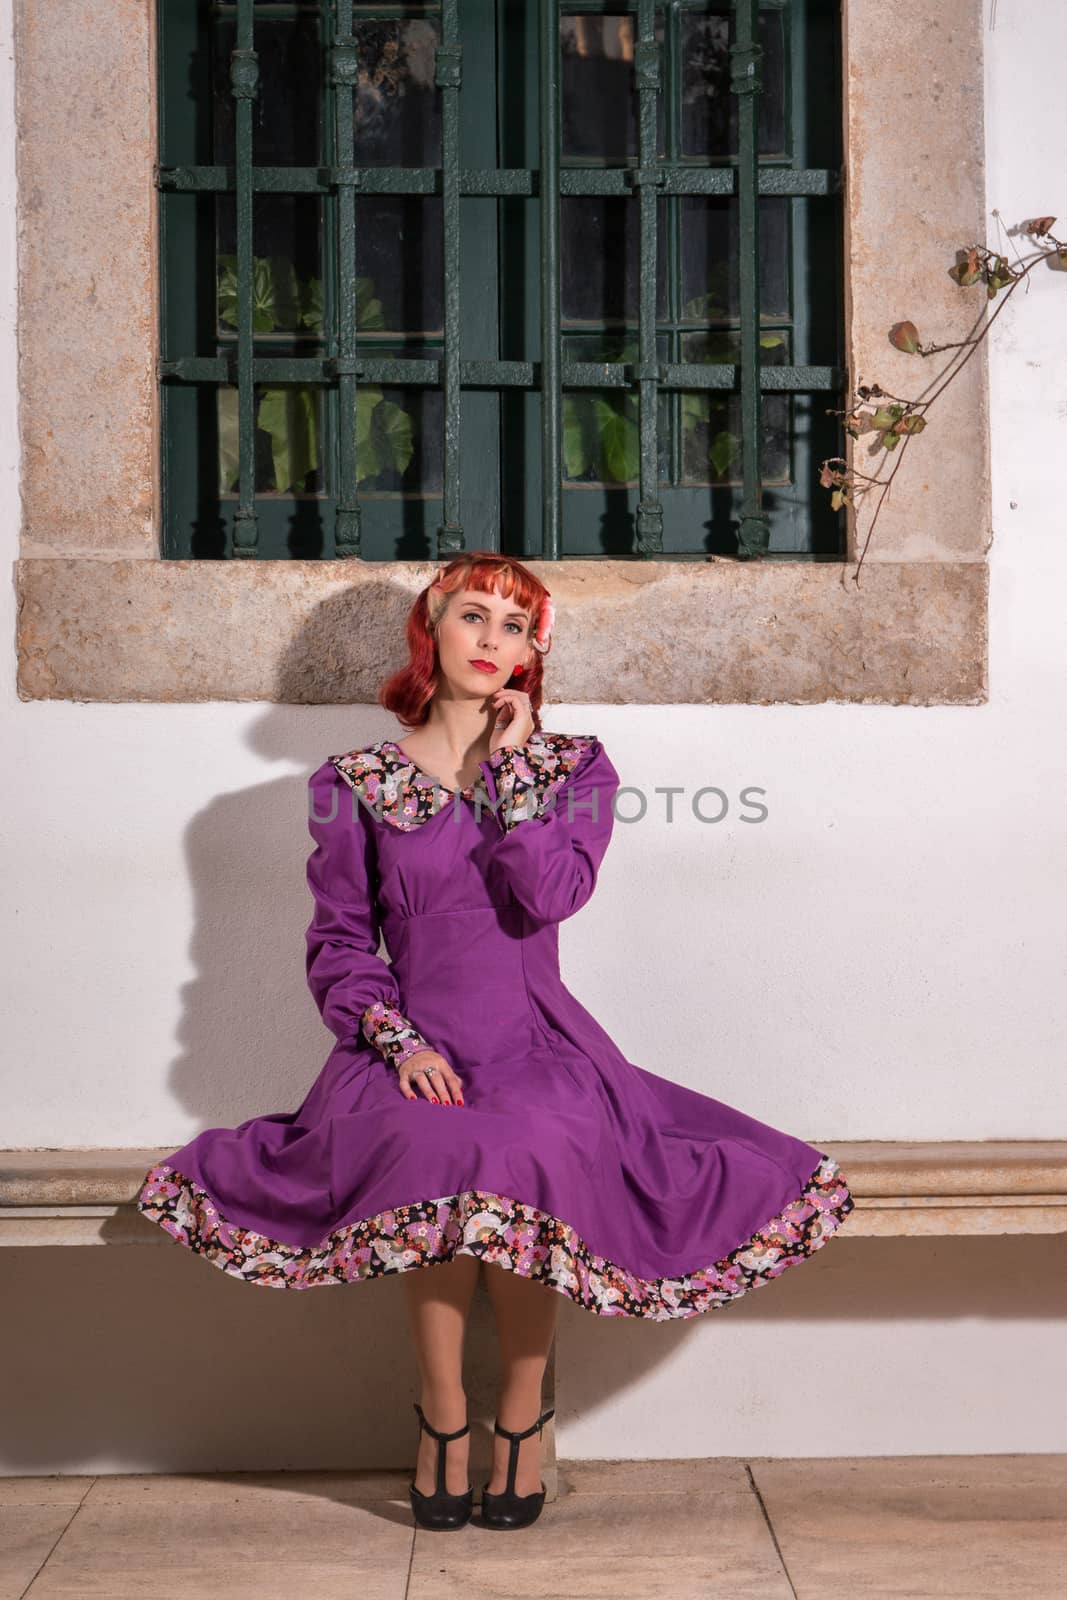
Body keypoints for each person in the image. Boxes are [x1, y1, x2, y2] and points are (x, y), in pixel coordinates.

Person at [136, 550, 855, 1534]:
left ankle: (517, 1416)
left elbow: (548, 895)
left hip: (539, 1039)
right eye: (473, 616)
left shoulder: (574, 769)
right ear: (429, 628)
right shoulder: (354, 782)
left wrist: (513, 766)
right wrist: (397, 1041)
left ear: (530, 653)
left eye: (514, 626)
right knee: (437, 1143)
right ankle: (440, 1413)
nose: (491, 640)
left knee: (528, 1144)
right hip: (406, 1044)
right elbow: (341, 944)